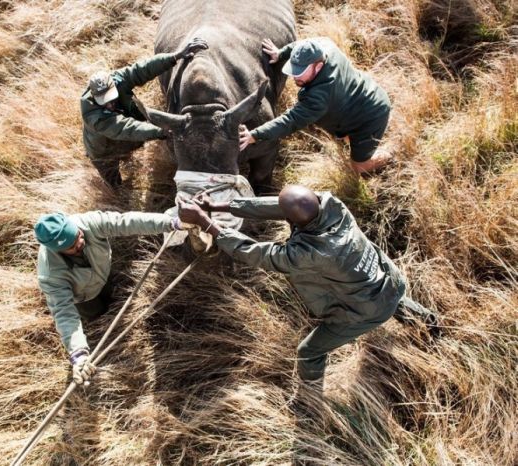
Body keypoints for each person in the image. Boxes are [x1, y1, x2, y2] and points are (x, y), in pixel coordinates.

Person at [177, 185, 439, 392]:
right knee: (392, 297)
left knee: (309, 351)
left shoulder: (309, 253)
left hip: (367, 309)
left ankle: (311, 396)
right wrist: (219, 206)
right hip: (386, 278)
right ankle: (431, 324)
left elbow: (253, 253)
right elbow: (281, 206)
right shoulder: (331, 204)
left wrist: (204, 220)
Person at [35, 210, 185, 385]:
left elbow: (126, 221)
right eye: (72, 246)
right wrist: (78, 353)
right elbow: (64, 312)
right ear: (58, 251)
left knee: (110, 292)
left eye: (78, 236)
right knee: (95, 313)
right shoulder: (50, 275)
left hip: (103, 274)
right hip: (84, 297)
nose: (80, 242)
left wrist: (170, 223)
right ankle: (98, 318)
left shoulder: (87, 222)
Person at [239, 37, 394, 175]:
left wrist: (254, 135)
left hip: (371, 116)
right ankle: (352, 139)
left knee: (359, 166)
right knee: (347, 138)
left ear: (318, 67)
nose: (294, 76)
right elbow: (301, 46)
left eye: (300, 72)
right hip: (366, 91)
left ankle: (390, 153)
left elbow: (289, 121)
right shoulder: (325, 45)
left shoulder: (319, 96)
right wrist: (281, 53)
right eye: (294, 69)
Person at [81, 38, 208, 188]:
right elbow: (127, 128)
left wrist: (175, 57)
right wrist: (160, 131)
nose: (109, 104)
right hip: (104, 151)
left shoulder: (117, 80)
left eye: (111, 98)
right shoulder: (94, 117)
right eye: (104, 101)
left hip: (125, 138)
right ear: (95, 97)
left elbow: (143, 69)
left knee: (128, 151)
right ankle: (118, 193)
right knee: (113, 180)